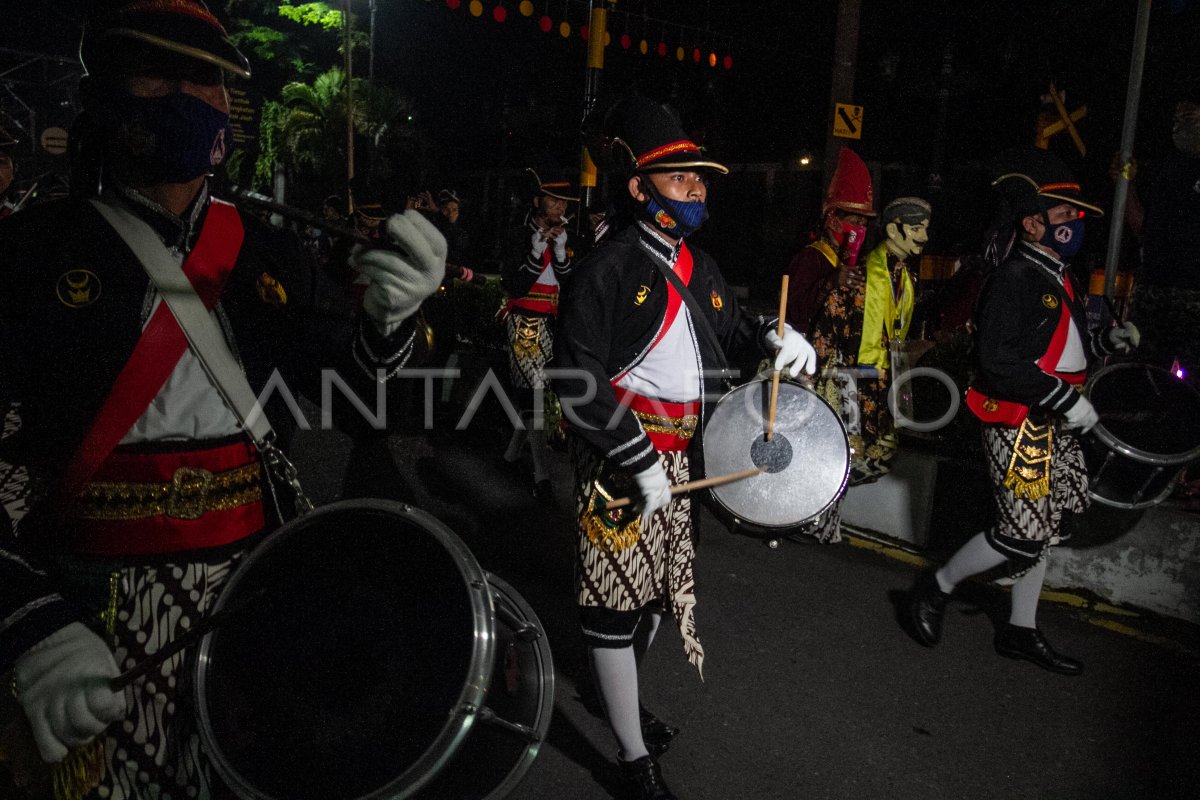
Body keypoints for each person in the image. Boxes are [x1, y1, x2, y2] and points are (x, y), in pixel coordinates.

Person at [0, 2, 445, 798]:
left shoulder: (268, 250)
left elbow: (360, 402)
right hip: (83, 617)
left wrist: (391, 322)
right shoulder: (30, 255)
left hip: (252, 610)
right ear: (104, 92)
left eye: (206, 77)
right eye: (157, 71)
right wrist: (25, 620)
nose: (187, 94)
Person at [554, 95, 817, 800]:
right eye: (679, 177)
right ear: (638, 187)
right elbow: (575, 379)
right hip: (623, 458)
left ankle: (621, 701)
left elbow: (731, 337)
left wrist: (774, 339)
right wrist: (637, 459)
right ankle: (633, 758)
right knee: (612, 600)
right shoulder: (605, 267)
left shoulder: (698, 264)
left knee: (651, 598)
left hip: (684, 461)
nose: (697, 186)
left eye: (700, 176)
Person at [907, 148, 1139, 675]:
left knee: (1049, 525)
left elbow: (1060, 343)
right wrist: (1066, 399)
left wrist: (1107, 338)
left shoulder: (1059, 273)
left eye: (1077, 216)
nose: (1076, 224)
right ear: (1033, 223)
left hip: (1054, 419)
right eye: (1064, 216)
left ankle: (1020, 628)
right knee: (1023, 532)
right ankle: (935, 587)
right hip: (1022, 422)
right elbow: (999, 361)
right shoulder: (1015, 277)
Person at [803, 197, 931, 541]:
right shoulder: (862, 273)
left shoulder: (907, 278)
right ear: (894, 229)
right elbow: (830, 321)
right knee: (842, 454)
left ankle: (819, 518)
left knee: (875, 458)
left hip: (883, 382)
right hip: (850, 379)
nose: (924, 237)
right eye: (917, 229)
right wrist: (816, 373)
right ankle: (816, 521)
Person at [500, 167, 584, 498]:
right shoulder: (517, 235)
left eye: (564, 201)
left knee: (541, 395)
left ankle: (509, 456)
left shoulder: (569, 237)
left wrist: (562, 254)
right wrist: (536, 254)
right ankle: (541, 476)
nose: (560, 207)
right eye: (553, 200)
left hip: (554, 323)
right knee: (533, 399)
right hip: (524, 323)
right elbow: (514, 285)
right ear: (537, 201)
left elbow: (571, 286)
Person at [1121, 81, 1200, 374]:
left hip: (1195, 295)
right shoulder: (1170, 167)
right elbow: (1143, 225)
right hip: (1155, 291)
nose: (1180, 126)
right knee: (1143, 378)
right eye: (1177, 120)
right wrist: (1125, 185)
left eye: (1189, 118)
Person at [784, 146, 876, 338]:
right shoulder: (811, 258)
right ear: (833, 219)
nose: (860, 229)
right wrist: (829, 283)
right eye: (855, 221)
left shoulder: (850, 263)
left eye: (864, 223)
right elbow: (794, 311)